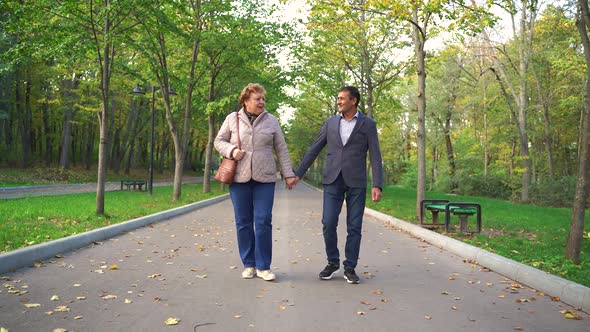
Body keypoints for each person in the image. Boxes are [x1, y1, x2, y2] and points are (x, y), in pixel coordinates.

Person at [292, 86, 383, 284]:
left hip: (356, 182)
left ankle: (350, 267)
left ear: (354, 101)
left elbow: (375, 155)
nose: (339, 101)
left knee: (354, 226)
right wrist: (298, 174)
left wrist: (377, 184)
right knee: (328, 222)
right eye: (338, 98)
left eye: (342, 98)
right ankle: (332, 262)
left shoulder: (367, 124)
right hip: (332, 180)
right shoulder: (330, 123)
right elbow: (315, 148)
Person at [214, 83, 298, 282]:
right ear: (245, 101)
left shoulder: (271, 121)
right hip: (239, 178)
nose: (261, 102)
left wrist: (288, 174)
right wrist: (232, 151)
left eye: (263, 99)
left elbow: (282, 149)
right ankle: (249, 264)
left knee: (262, 221)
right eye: (257, 99)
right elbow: (219, 141)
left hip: (265, 179)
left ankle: (263, 266)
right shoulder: (232, 119)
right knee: (243, 222)